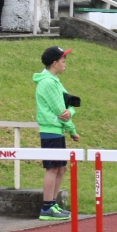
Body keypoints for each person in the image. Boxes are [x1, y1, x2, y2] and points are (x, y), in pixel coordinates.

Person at [33, 46, 80, 220]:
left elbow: (70, 105)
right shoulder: (48, 83)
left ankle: (52, 203)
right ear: (55, 63)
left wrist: (70, 114)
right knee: (53, 168)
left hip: (57, 130)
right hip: (51, 130)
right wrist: (72, 130)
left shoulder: (55, 81)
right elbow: (61, 111)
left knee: (61, 168)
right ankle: (47, 207)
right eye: (63, 61)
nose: (65, 64)